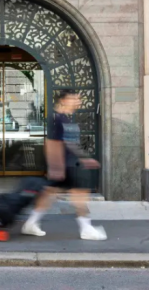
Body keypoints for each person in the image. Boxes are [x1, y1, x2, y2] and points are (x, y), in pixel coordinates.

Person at [21, 90, 107, 240]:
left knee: (49, 194)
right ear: (63, 100)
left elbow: (70, 143)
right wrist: (56, 167)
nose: (78, 101)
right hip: (65, 166)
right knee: (79, 195)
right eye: (74, 98)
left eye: (78, 99)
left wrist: (84, 158)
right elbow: (51, 143)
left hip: (69, 164)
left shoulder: (66, 118)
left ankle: (31, 223)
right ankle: (86, 229)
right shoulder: (57, 119)